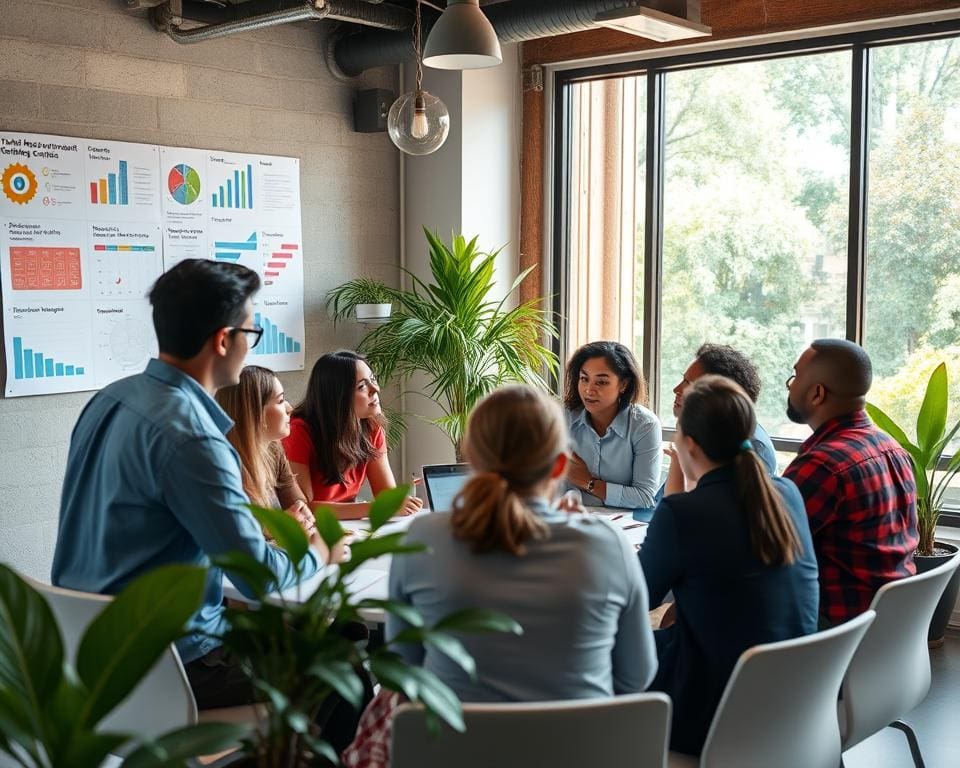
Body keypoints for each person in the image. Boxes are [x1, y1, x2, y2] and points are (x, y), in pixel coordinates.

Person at [52, 259, 327, 710]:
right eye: (251, 334)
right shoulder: (195, 436)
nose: (250, 347)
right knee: (344, 667)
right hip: (172, 663)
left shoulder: (108, 399)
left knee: (332, 634)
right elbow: (255, 576)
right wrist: (315, 552)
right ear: (224, 340)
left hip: (88, 647)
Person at [390, 384, 658, 701]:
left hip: (454, 745)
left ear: (471, 458)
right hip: (580, 748)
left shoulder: (423, 539)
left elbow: (403, 669)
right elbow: (636, 677)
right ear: (560, 466)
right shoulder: (608, 545)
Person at [639, 375, 819, 756]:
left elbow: (633, 601)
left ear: (688, 444)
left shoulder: (682, 513)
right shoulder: (786, 492)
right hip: (794, 699)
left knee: (600, 654)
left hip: (710, 709)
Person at [783, 338, 918, 626]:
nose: (790, 385)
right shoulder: (894, 448)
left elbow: (759, 545)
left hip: (835, 634)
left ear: (817, 393)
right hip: (888, 627)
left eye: (794, 377)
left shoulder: (822, 465)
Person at [283, 350, 422, 520]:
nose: (376, 389)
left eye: (373, 379)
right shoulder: (299, 431)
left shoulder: (372, 426)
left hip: (350, 527)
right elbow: (305, 508)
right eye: (362, 386)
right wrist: (374, 508)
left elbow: (386, 497)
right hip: (314, 530)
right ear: (337, 395)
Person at [215, 365, 318, 542]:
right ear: (255, 413)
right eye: (280, 401)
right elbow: (235, 532)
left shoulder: (274, 448)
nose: (289, 408)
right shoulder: (223, 464)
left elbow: (296, 501)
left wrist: (300, 511)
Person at [562, 341, 662, 511]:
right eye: (584, 379)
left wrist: (588, 483)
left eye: (601, 382)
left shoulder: (645, 426)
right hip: (569, 519)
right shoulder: (563, 417)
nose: (589, 390)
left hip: (624, 527)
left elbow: (645, 497)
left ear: (623, 384)